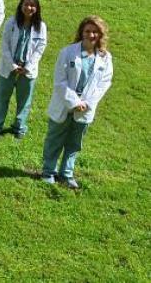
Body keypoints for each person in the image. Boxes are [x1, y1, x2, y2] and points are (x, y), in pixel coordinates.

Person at [40, 16, 113, 189]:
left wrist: (87, 103)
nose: (91, 35)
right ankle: (48, 171)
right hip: (65, 104)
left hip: (86, 107)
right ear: (81, 32)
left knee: (74, 143)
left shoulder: (105, 58)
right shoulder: (68, 52)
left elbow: (104, 84)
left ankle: (66, 174)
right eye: (88, 31)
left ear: (100, 35)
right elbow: (59, 81)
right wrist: (73, 102)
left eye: (95, 32)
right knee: (55, 139)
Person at [0, 0, 48, 138]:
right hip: (9, 68)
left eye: (32, 5)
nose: (29, 8)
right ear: (21, 6)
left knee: (24, 101)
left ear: (37, 8)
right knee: (1, 98)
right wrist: (13, 65)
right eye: (26, 4)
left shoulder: (41, 27)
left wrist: (28, 66)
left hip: (28, 70)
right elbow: (5, 45)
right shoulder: (11, 23)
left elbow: (40, 48)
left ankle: (19, 127)